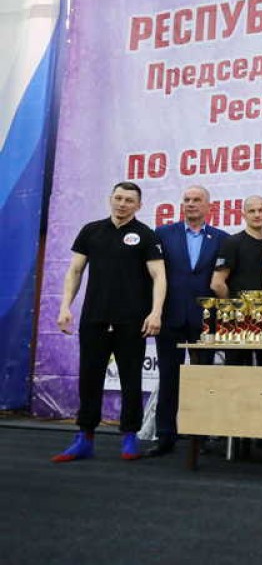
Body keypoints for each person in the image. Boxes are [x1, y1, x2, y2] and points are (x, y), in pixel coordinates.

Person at [52, 182, 165, 462]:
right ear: (110, 199)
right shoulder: (91, 231)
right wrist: (65, 307)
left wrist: (155, 312)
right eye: (118, 198)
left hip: (132, 320)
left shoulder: (146, 235)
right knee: (89, 378)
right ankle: (84, 438)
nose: (122, 204)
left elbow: (159, 276)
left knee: (131, 378)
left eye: (129, 200)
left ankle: (129, 437)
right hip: (95, 318)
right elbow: (75, 270)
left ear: (139, 205)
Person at [148, 185, 228, 457]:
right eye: (187, 200)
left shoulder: (221, 238)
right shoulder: (163, 234)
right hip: (170, 316)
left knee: (202, 379)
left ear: (208, 206)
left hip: (205, 319)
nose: (191, 204)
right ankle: (165, 436)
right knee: (169, 376)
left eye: (197, 200)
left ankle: (201, 436)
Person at [210, 195, 262, 365]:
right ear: (244, 215)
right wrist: (232, 307)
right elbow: (217, 283)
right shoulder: (232, 243)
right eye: (251, 211)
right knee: (237, 373)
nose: (257, 214)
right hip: (237, 321)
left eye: (261, 210)